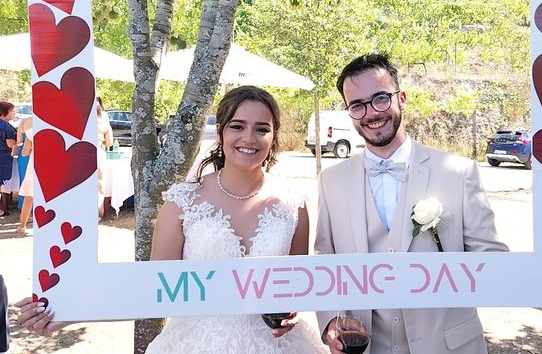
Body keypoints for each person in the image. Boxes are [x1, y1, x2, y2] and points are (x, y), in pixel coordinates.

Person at [314, 53, 542, 354]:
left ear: (401, 98)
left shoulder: (458, 173)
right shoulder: (331, 181)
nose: (371, 112)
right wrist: (330, 324)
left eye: (380, 98)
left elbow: (493, 261)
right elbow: (325, 261)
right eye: (357, 105)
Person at [17, 86, 328, 353]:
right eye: (237, 126)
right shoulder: (183, 201)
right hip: (197, 343)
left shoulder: (293, 204)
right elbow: (151, 288)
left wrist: (290, 314)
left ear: (273, 136)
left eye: (262, 128)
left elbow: (293, 287)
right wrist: (69, 309)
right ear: (220, 130)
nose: (249, 137)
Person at [15, 117, 34, 235]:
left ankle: (22, 226)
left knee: (29, 196)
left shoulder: (30, 130)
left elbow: (24, 152)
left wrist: (32, 149)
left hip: (35, 164)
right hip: (51, 164)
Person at [96, 102, 114, 220]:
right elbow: (109, 142)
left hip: (79, 153)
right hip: (97, 152)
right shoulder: (103, 117)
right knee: (99, 185)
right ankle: (99, 212)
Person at [0, 102, 17, 217]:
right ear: (4, 113)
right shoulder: (6, 126)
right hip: (3, 157)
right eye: (12, 111)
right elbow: (10, 143)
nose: (14, 113)